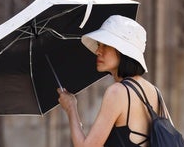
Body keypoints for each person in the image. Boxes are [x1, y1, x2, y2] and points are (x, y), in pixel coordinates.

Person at [57, 15, 171, 147]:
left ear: (123, 51)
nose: (98, 51)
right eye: (99, 45)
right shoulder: (155, 91)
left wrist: (71, 108)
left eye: (105, 45)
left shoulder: (117, 92)